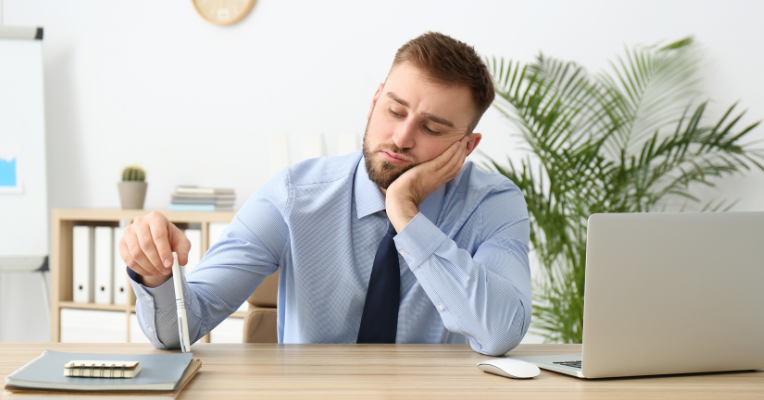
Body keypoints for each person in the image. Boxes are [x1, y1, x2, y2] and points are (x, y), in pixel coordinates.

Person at [120, 32, 531, 356]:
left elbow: (500, 332)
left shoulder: (492, 204)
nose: (402, 137)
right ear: (374, 101)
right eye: (394, 110)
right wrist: (155, 275)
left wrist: (406, 214)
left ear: (467, 147)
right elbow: (180, 331)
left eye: (433, 128)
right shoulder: (293, 196)